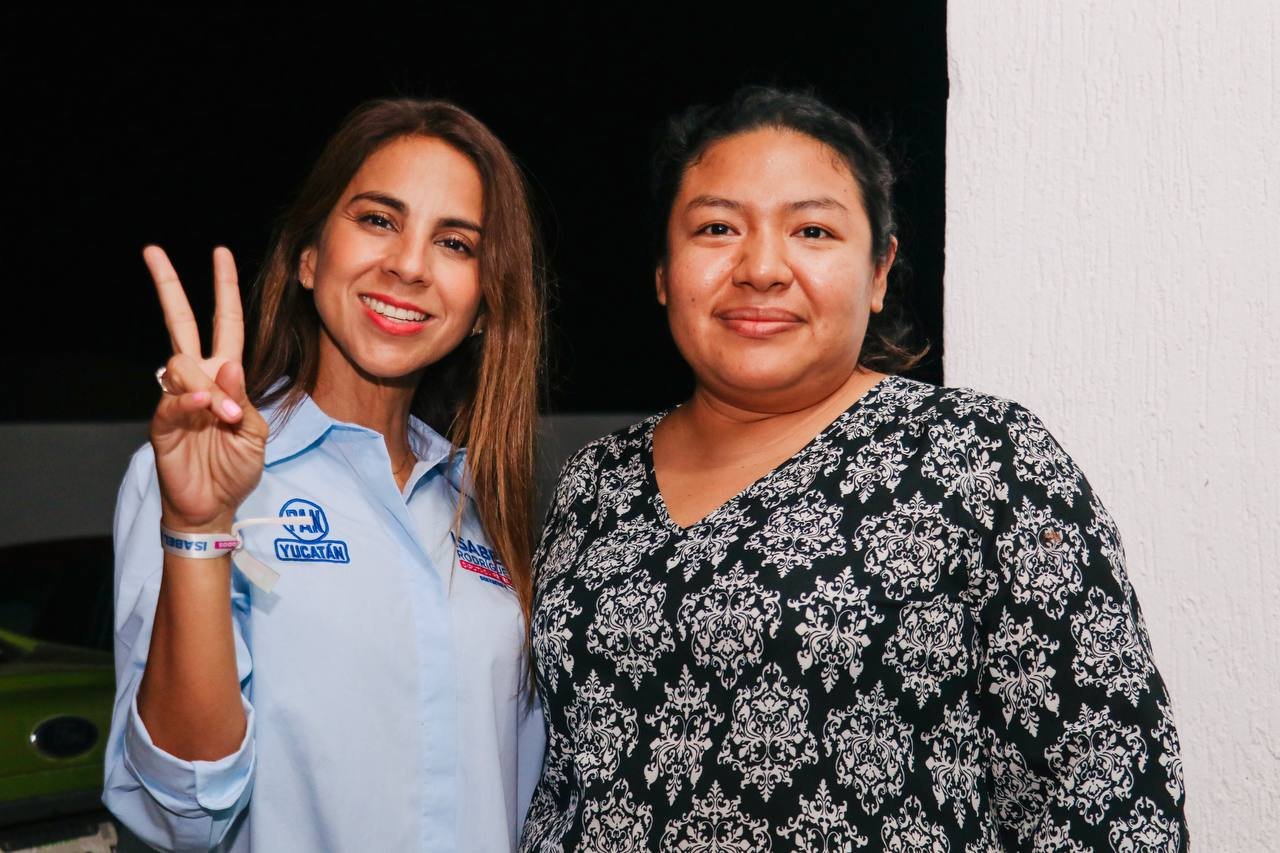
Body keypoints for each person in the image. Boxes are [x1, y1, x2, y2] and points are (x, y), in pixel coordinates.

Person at [522, 87, 1188, 851]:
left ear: (878, 271)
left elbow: (1107, 782)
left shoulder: (981, 456)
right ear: (664, 271)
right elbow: (561, 777)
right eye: (716, 228)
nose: (761, 268)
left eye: (812, 230)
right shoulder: (595, 481)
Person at [104, 98, 545, 852]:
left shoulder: (479, 501)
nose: (409, 264)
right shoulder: (196, 476)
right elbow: (184, 810)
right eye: (378, 219)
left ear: (482, 306)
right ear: (309, 257)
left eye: (454, 243)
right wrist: (199, 528)